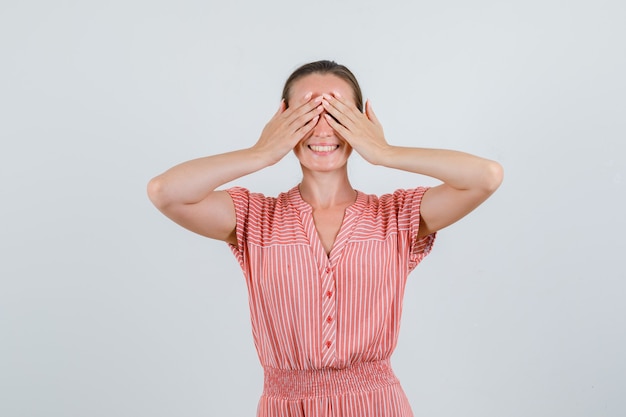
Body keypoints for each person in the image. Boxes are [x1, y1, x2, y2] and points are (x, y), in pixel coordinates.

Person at [147, 60, 503, 417]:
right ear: (282, 121)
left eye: (337, 112)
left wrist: (384, 152)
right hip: (284, 407)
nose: (321, 128)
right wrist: (261, 153)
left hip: (378, 405)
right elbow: (165, 192)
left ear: (360, 121)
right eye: (306, 111)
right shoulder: (255, 218)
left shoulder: (395, 216)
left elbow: (486, 176)